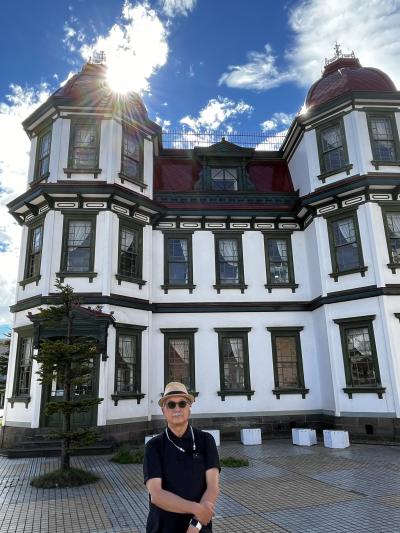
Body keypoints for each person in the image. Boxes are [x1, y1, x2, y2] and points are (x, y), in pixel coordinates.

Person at [143, 382, 220, 533]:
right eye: (171, 404)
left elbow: (213, 487)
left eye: (182, 403)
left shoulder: (205, 440)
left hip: (198, 529)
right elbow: (157, 495)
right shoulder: (154, 446)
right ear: (163, 410)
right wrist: (197, 509)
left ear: (189, 407)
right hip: (161, 528)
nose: (177, 409)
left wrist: (195, 525)